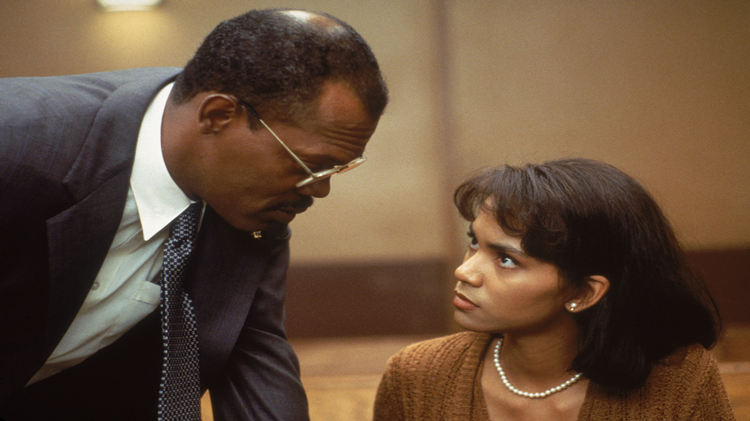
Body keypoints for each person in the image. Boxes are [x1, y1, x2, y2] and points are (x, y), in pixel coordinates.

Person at [0, 8, 388, 421]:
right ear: (218, 115)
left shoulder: (253, 218)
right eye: (310, 165)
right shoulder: (16, 145)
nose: (319, 190)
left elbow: (258, 372)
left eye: (336, 170)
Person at [373, 159, 735, 420]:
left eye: (506, 259)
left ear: (585, 293)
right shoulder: (418, 375)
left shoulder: (678, 380)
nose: (464, 271)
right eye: (474, 243)